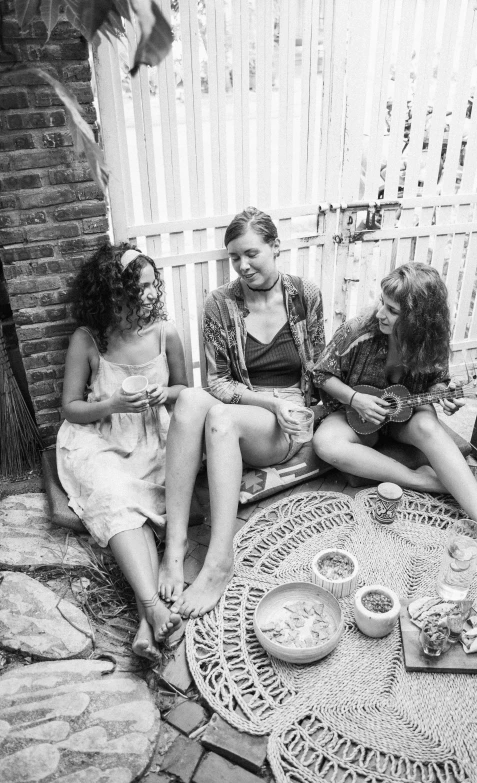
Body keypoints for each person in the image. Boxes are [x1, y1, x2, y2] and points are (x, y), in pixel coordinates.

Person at [159, 207, 325, 616]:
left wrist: (311, 412)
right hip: (248, 403)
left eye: (251, 253)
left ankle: (218, 561)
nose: (242, 265)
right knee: (191, 400)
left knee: (218, 417)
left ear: (275, 246)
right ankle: (176, 540)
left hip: (284, 421)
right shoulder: (219, 303)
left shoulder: (306, 296)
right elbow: (216, 383)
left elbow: (322, 367)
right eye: (234, 257)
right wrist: (266, 400)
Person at [312, 262, 477, 585]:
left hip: (405, 416)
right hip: (358, 416)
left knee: (428, 427)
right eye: (382, 302)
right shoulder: (357, 330)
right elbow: (320, 374)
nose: (381, 313)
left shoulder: (429, 341)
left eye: (392, 310)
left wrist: (443, 396)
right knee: (325, 443)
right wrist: (356, 399)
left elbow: (438, 382)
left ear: (417, 319)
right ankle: (421, 480)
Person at [57, 243, 186, 659]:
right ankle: (151, 605)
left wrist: (163, 392)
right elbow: (71, 408)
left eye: (153, 286)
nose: (151, 295)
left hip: (154, 438)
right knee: (116, 497)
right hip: (101, 438)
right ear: (115, 292)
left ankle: (146, 630)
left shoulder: (165, 332)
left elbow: (185, 390)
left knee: (138, 508)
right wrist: (112, 404)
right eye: (141, 288)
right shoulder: (88, 339)